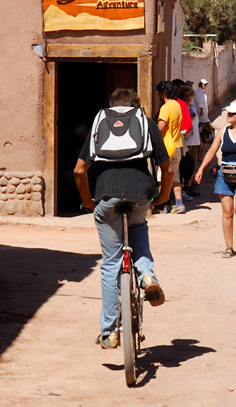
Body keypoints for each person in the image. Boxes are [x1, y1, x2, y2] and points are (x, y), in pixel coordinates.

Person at [74, 88, 172, 349]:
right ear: (135, 106)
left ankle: (109, 331)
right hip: (141, 194)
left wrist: (87, 201)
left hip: (106, 196)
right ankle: (147, 276)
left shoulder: (100, 122)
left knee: (110, 264)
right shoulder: (146, 123)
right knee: (138, 226)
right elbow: (167, 167)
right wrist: (162, 196)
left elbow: (79, 170)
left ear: (112, 106)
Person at [195, 101, 236, 258]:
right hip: (224, 175)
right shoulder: (222, 132)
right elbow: (212, 150)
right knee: (227, 212)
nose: (228, 115)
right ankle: (229, 247)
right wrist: (200, 169)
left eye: (232, 114)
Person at [155, 81, 186, 213]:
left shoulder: (166, 107)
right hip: (177, 145)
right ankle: (179, 203)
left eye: (160, 94)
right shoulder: (177, 106)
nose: (159, 96)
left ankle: (162, 205)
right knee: (175, 177)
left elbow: (161, 128)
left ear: (164, 93)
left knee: (162, 177)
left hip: (166, 147)